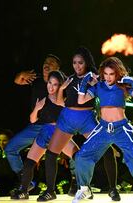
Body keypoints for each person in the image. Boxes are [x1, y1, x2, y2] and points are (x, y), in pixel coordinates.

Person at [39, 47, 119, 201]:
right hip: (67, 117)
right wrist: (61, 89)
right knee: (51, 153)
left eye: (80, 63)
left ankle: (113, 189)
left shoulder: (94, 78)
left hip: (87, 118)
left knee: (107, 151)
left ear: (86, 63)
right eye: (74, 63)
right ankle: (50, 191)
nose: (77, 66)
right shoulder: (69, 79)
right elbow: (61, 102)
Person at [73, 57, 133, 203]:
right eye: (106, 74)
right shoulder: (99, 86)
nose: (108, 77)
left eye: (112, 74)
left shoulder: (123, 86)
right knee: (81, 156)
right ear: (102, 74)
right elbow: (81, 100)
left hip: (121, 128)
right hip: (103, 128)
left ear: (117, 73)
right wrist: (85, 82)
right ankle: (83, 189)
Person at [10, 71, 67, 199]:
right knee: (29, 162)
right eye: (50, 83)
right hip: (45, 131)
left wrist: (62, 90)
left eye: (55, 84)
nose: (51, 87)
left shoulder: (64, 100)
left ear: (60, 85)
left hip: (60, 132)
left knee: (76, 156)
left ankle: (53, 191)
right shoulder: (43, 100)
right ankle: (24, 190)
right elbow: (32, 120)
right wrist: (36, 108)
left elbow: (62, 105)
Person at [5, 55, 60, 187]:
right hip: (35, 126)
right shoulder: (37, 80)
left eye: (51, 63)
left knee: (73, 153)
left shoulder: (61, 83)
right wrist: (22, 74)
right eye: (45, 62)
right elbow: (18, 80)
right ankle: (25, 181)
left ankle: (79, 182)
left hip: (54, 127)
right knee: (10, 149)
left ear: (57, 68)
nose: (46, 65)